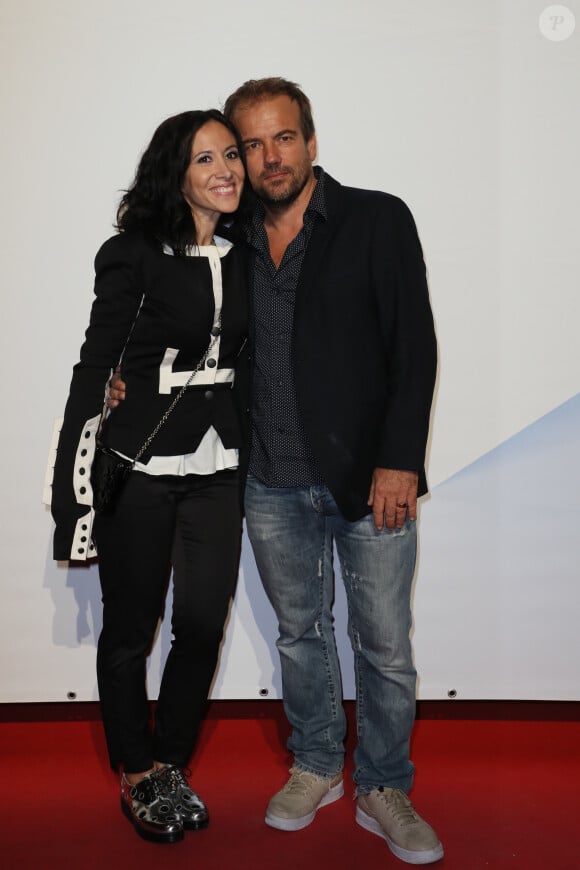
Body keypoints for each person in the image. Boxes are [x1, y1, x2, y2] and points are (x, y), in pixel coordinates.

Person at [111, 78, 441, 864]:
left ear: (311, 141)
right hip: (267, 480)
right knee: (301, 635)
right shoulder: (233, 238)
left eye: (280, 138)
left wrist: (401, 460)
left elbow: (415, 347)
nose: (265, 157)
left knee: (385, 644)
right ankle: (320, 762)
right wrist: (121, 379)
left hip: (368, 479)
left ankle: (384, 784)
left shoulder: (376, 218)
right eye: (249, 144)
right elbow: (174, 320)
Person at [50, 109, 248, 844]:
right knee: (132, 630)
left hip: (220, 467)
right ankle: (135, 773)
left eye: (231, 154)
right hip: (140, 467)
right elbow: (95, 363)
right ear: (176, 172)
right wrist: (73, 494)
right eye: (206, 159)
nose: (226, 168)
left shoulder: (247, 251)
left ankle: (171, 765)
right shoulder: (131, 254)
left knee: (201, 624)